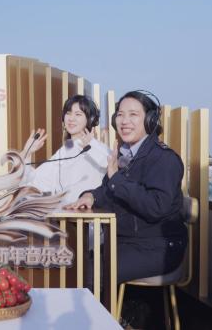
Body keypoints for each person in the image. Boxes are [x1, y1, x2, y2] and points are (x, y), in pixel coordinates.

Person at [64, 90, 187, 284]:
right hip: (126, 241)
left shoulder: (164, 159)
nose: (124, 121)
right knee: (70, 263)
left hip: (158, 247)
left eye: (133, 114)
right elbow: (107, 190)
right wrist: (91, 196)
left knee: (88, 273)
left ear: (150, 121)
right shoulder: (126, 156)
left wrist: (116, 179)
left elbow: (156, 207)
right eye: (120, 115)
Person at [19, 95, 110, 205]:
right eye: (68, 113)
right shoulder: (63, 152)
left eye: (78, 114)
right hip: (64, 213)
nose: (71, 118)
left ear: (90, 119)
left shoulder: (98, 147)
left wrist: (92, 146)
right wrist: (27, 153)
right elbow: (35, 182)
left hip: (91, 213)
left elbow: (111, 168)